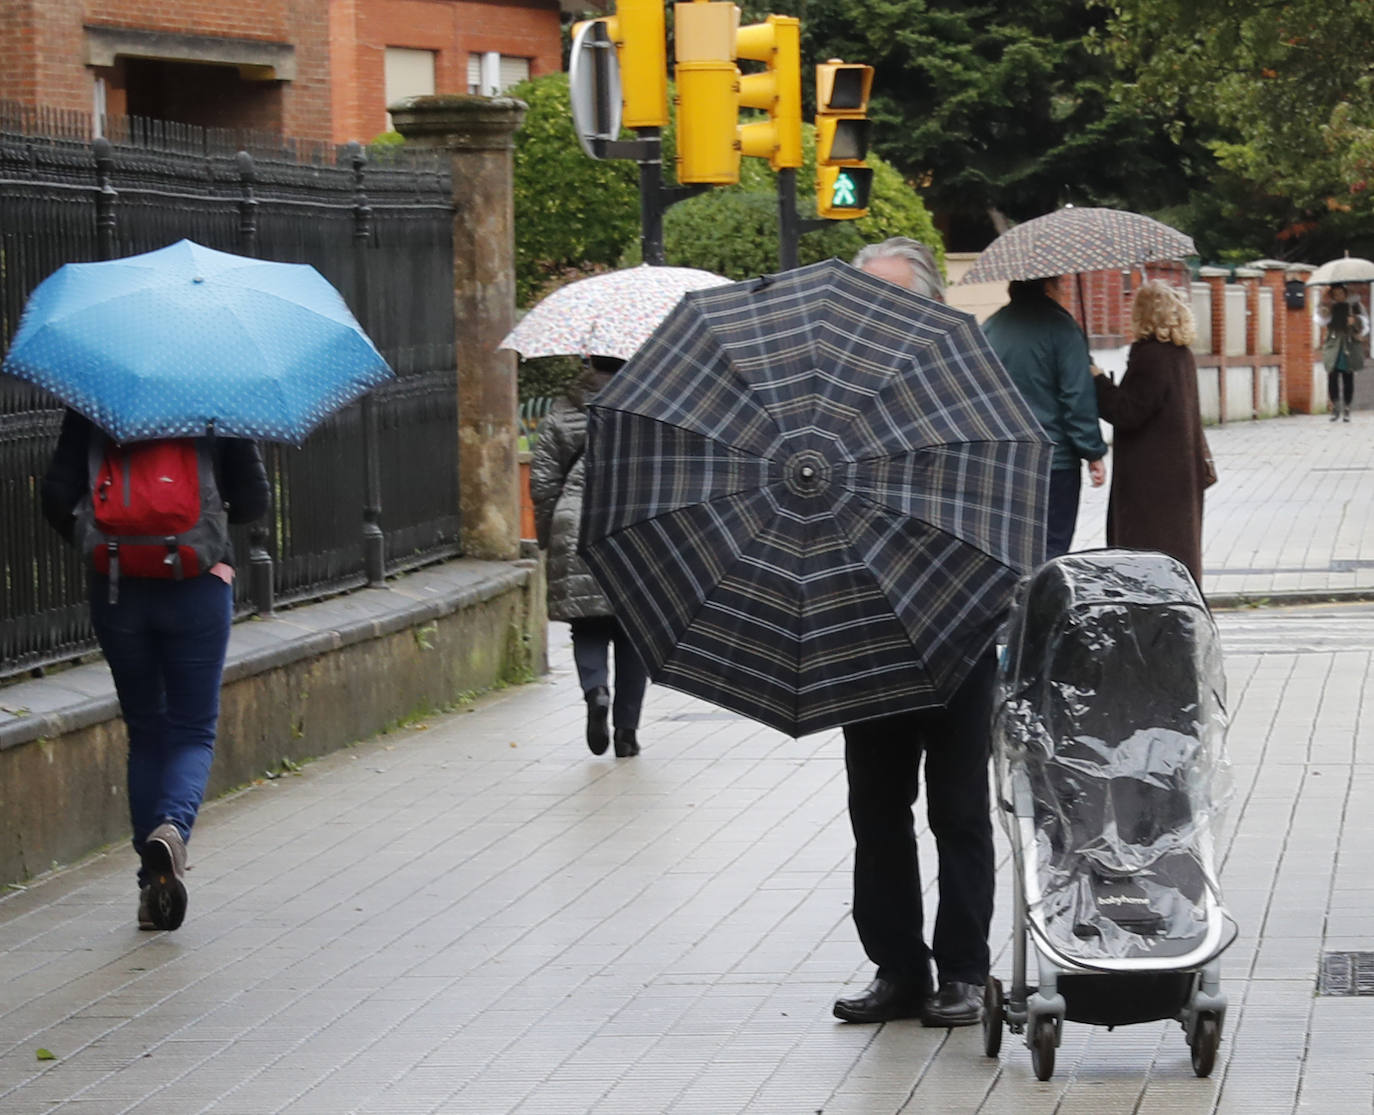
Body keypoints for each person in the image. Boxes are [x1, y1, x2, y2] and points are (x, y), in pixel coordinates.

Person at [832, 238, 997, 1028]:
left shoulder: (968, 387)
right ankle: (897, 967)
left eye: (888, 300)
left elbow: (1007, 502)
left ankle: (964, 971)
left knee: (959, 811)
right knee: (876, 810)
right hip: (865, 630)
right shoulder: (829, 403)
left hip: (957, 628)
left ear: (926, 306)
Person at [41, 409, 270, 931]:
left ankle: (151, 888)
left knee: (146, 731)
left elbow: (55, 495)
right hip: (198, 581)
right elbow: (254, 502)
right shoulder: (214, 398)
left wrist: (98, 541)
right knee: (193, 731)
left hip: (119, 586)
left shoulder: (96, 401)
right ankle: (172, 829)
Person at [529, 354, 648, 759]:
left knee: (588, 625)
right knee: (633, 635)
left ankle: (596, 692)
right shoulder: (645, 409)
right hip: (628, 523)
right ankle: (627, 732)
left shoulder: (562, 413)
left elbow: (543, 483)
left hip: (573, 522)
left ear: (587, 363)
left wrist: (549, 538)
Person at [1091, 280, 1210, 585]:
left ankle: (1151, 617)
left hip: (1151, 480)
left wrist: (1099, 381)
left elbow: (1128, 412)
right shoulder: (1181, 354)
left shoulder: (1151, 356)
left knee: (1145, 557)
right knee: (1177, 551)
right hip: (1178, 475)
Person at [982, 276, 1107, 557]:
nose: (1063, 292)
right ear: (1047, 288)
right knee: (1051, 548)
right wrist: (1092, 452)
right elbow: (1076, 396)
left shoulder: (989, 328)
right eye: (1059, 286)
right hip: (1054, 461)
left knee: (1009, 549)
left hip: (1003, 459)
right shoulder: (1062, 328)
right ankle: (1041, 601)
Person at [1316, 283, 1368, 423]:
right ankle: (1335, 406)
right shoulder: (1329, 306)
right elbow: (1321, 320)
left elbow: (1365, 324)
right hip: (1334, 344)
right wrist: (1324, 307)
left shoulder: (1356, 306)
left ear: (1346, 293)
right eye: (1335, 294)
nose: (1338, 296)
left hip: (1349, 343)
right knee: (1332, 375)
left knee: (1348, 376)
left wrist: (1355, 321)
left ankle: (1347, 408)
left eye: (1341, 293)